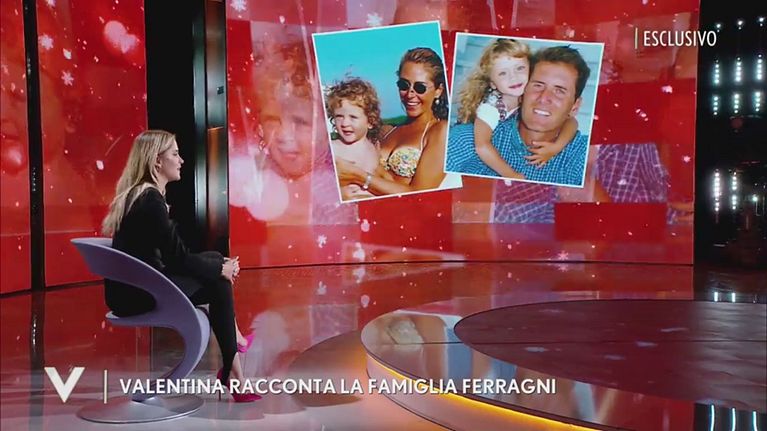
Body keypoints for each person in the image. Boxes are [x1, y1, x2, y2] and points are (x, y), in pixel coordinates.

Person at [101, 130, 259, 402]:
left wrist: (217, 264)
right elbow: (177, 258)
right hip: (140, 294)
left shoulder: (138, 195)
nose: (181, 160)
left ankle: (235, 350)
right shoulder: (150, 201)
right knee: (218, 281)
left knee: (215, 259)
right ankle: (234, 371)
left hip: (134, 289)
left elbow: (171, 257)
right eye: (175, 154)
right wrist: (219, 270)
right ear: (156, 161)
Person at [450, 45, 591, 187]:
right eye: (538, 85)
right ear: (523, 91)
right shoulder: (470, 137)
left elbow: (572, 122)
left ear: (575, 106)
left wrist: (557, 147)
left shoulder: (584, 156)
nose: (544, 98)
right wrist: (512, 175)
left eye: (559, 91)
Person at [334, 47, 453, 195]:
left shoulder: (441, 132)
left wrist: (358, 176)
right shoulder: (386, 130)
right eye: (404, 85)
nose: (410, 94)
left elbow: (420, 195)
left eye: (420, 87)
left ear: (438, 90)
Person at [324, 78, 383, 201]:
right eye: (339, 116)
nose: (345, 123)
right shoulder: (333, 149)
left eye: (353, 117)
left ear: (370, 121)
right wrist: (339, 194)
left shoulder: (374, 148)